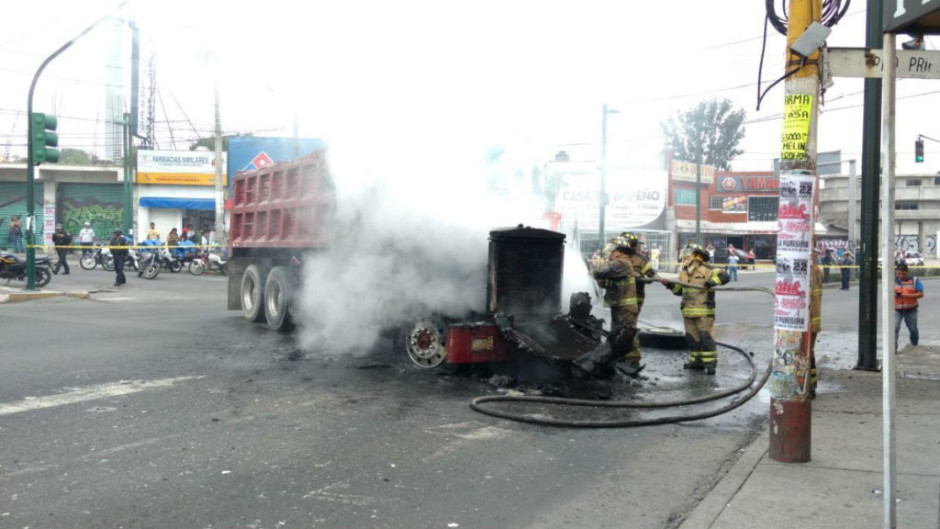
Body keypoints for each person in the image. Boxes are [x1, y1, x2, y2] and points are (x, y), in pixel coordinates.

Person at [661, 243, 731, 374]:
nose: (685, 256)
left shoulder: (707, 270)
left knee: (706, 338)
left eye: (689, 253)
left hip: (704, 312)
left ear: (697, 256)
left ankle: (710, 364)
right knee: (692, 338)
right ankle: (696, 362)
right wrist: (670, 285)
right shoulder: (683, 273)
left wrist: (710, 282)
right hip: (688, 311)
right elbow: (679, 291)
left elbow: (725, 276)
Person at [590, 237, 640, 374]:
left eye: (612, 251)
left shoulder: (621, 262)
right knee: (618, 333)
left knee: (626, 334)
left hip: (625, 307)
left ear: (619, 251)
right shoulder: (619, 263)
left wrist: (592, 270)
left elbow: (602, 272)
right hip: (619, 306)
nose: (610, 254)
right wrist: (602, 281)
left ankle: (632, 363)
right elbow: (610, 283)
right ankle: (623, 360)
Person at [620, 232, 658, 364]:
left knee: (629, 327)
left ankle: (632, 358)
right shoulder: (616, 257)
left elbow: (651, 277)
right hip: (618, 297)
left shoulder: (640, 259)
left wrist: (639, 277)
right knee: (618, 328)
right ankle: (619, 353)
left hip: (635, 298)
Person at [894, 262, 924, 350]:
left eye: (904, 274)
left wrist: (907, 296)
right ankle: (893, 349)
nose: (901, 276)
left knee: (913, 329)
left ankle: (914, 347)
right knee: (894, 328)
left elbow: (921, 294)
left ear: (907, 272)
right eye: (899, 273)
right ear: (896, 272)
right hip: (897, 309)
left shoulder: (914, 280)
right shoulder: (892, 281)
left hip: (911, 309)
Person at [808, 250, 823, 397]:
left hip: (810, 320)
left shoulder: (813, 273)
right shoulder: (816, 271)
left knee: (807, 352)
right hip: (811, 320)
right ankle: (811, 384)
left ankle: (810, 386)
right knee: (809, 352)